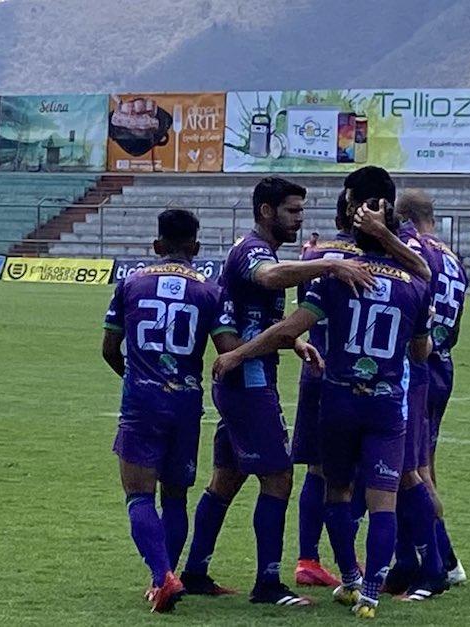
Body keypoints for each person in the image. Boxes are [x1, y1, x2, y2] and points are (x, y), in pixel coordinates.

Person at [213, 199, 433, 619]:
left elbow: (289, 329)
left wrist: (238, 354)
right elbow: (421, 352)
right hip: (386, 403)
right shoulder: (415, 285)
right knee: (383, 501)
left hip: (339, 400)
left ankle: (349, 579)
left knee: (337, 491)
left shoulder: (337, 279)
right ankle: (371, 595)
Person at [180, 176, 373, 608]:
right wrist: (329, 266)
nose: (299, 219)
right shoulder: (254, 251)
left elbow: (252, 317)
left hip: (244, 376)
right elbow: (270, 278)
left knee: (226, 479)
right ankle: (267, 583)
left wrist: (295, 341)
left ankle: (195, 572)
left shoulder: (255, 248)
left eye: (301, 211)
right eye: (292, 211)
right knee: (279, 477)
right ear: (267, 211)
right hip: (249, 382)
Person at [292, 171, 430, 591]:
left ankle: (323, 561)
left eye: (353, 199)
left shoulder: (321, 256)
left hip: (325, 372)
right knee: (399, 477)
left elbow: (299, 314)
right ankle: (409, 567)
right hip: (384, 384)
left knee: (325, 473)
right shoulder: (409, 260)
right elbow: (424, 286)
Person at [101, 209, 240, 613]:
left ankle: (162, 577)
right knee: (175, 496)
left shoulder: (131, 283)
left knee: (139, 495)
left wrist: (135, 377)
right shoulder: (210, 291)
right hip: (185, 402)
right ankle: (164, 578)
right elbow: (228, 351)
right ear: (196, 246)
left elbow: (109, 349)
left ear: (157, 245)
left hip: (142, 401)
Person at [393, 189, 469, 592]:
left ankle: (441, 561)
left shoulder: (409, 248)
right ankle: (420, 558)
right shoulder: (452, 257)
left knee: (409, 470)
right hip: (441, 365)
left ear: (403, 216)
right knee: (422, 467)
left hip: (414, 366)